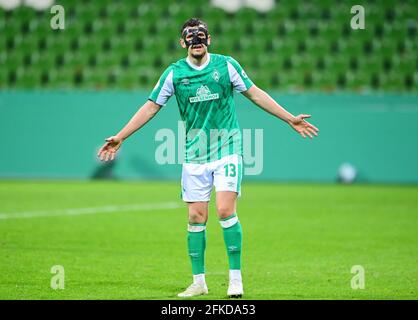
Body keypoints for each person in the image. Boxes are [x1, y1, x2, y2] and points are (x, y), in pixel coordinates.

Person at [98, 18, 319, 298]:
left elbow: (255, 94)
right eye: (191, 36)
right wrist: (122, 135)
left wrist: (289, 119)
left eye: (201, 35)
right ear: (183, 43)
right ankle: (199, 282)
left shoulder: (226, 65)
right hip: (194, 155)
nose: (196, 40)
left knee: (225, 210)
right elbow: (151, 107)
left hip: (227, 149)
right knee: (195, 216)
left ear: (209, 40)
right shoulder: (174, 74)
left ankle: (235, 279)